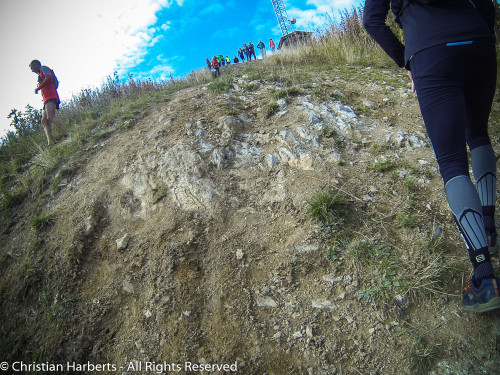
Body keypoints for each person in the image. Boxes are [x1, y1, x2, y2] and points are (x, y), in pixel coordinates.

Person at [363, 0, 499, 313]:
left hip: (430, 51)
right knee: (478, 134)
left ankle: (484, 276)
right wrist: (481, 37)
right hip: (479, 42)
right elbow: (487, 5)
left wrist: (406, 60)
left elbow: (372, 21)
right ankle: (489, 229)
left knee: (452, 163)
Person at [29, 59, 69, 146]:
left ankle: (68, 133)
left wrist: (38, 87)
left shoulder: (43, 68)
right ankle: (50, 142)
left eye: (32, 68)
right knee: (44, 120)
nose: (32, 70)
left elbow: (49, 77)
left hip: (50, 95)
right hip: (46, 98)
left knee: (50, 117)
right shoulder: (39, 75)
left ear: (36, 65)